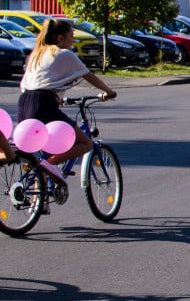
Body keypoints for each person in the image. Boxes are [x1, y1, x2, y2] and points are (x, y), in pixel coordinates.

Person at [17, 19, 117, 185]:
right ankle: (50, 164)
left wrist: (56, 98)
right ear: (59, 38)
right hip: (43, 103)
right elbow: (88, 75)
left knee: (40, 153)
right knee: (85, 143)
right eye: (71, 36)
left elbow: (38, 83)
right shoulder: (62, 53)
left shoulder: (37, 54)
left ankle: (38, 202)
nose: (73, 40)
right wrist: (109, 91)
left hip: (25, 102)